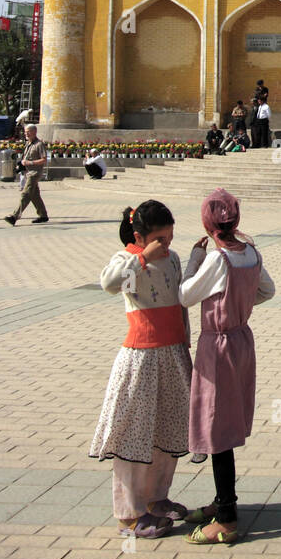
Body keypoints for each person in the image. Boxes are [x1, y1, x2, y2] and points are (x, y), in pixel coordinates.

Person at [89, 200, 192, 538]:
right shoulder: (128, 260)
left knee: (168, 430)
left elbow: (180, 301)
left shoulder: (173, 259)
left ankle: (156, 498)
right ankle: (130, 514)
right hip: (141, 357)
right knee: (135, 436)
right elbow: (108, 282)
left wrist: (185, 344)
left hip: (173, 354)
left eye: (170, 237)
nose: (167, 245)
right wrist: (144, 256)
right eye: (160, 238)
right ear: (140, 236)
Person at [179, 188, 275, 544]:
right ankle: (222, 499)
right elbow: (268, 291)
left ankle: (227, 517)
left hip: (216, 344)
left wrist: (192, 260)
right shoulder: (250, 252)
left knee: (216, 427)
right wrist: (240, 304)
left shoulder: (217, 260)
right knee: (226, 420)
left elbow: (185, 295)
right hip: (241, 340)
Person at [4, 123, 48, 225]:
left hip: (34, 173)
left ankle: (14, 216)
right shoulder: (28, 143)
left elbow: (44, 160)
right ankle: (43, 215)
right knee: (34, 195)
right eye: (25, 132)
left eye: (28, 132)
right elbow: (26, 158)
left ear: (34, 132)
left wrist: (30, 163)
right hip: (28, 172)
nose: (26, 134)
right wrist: (21, 165)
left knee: (26, 194)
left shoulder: (39, 144)